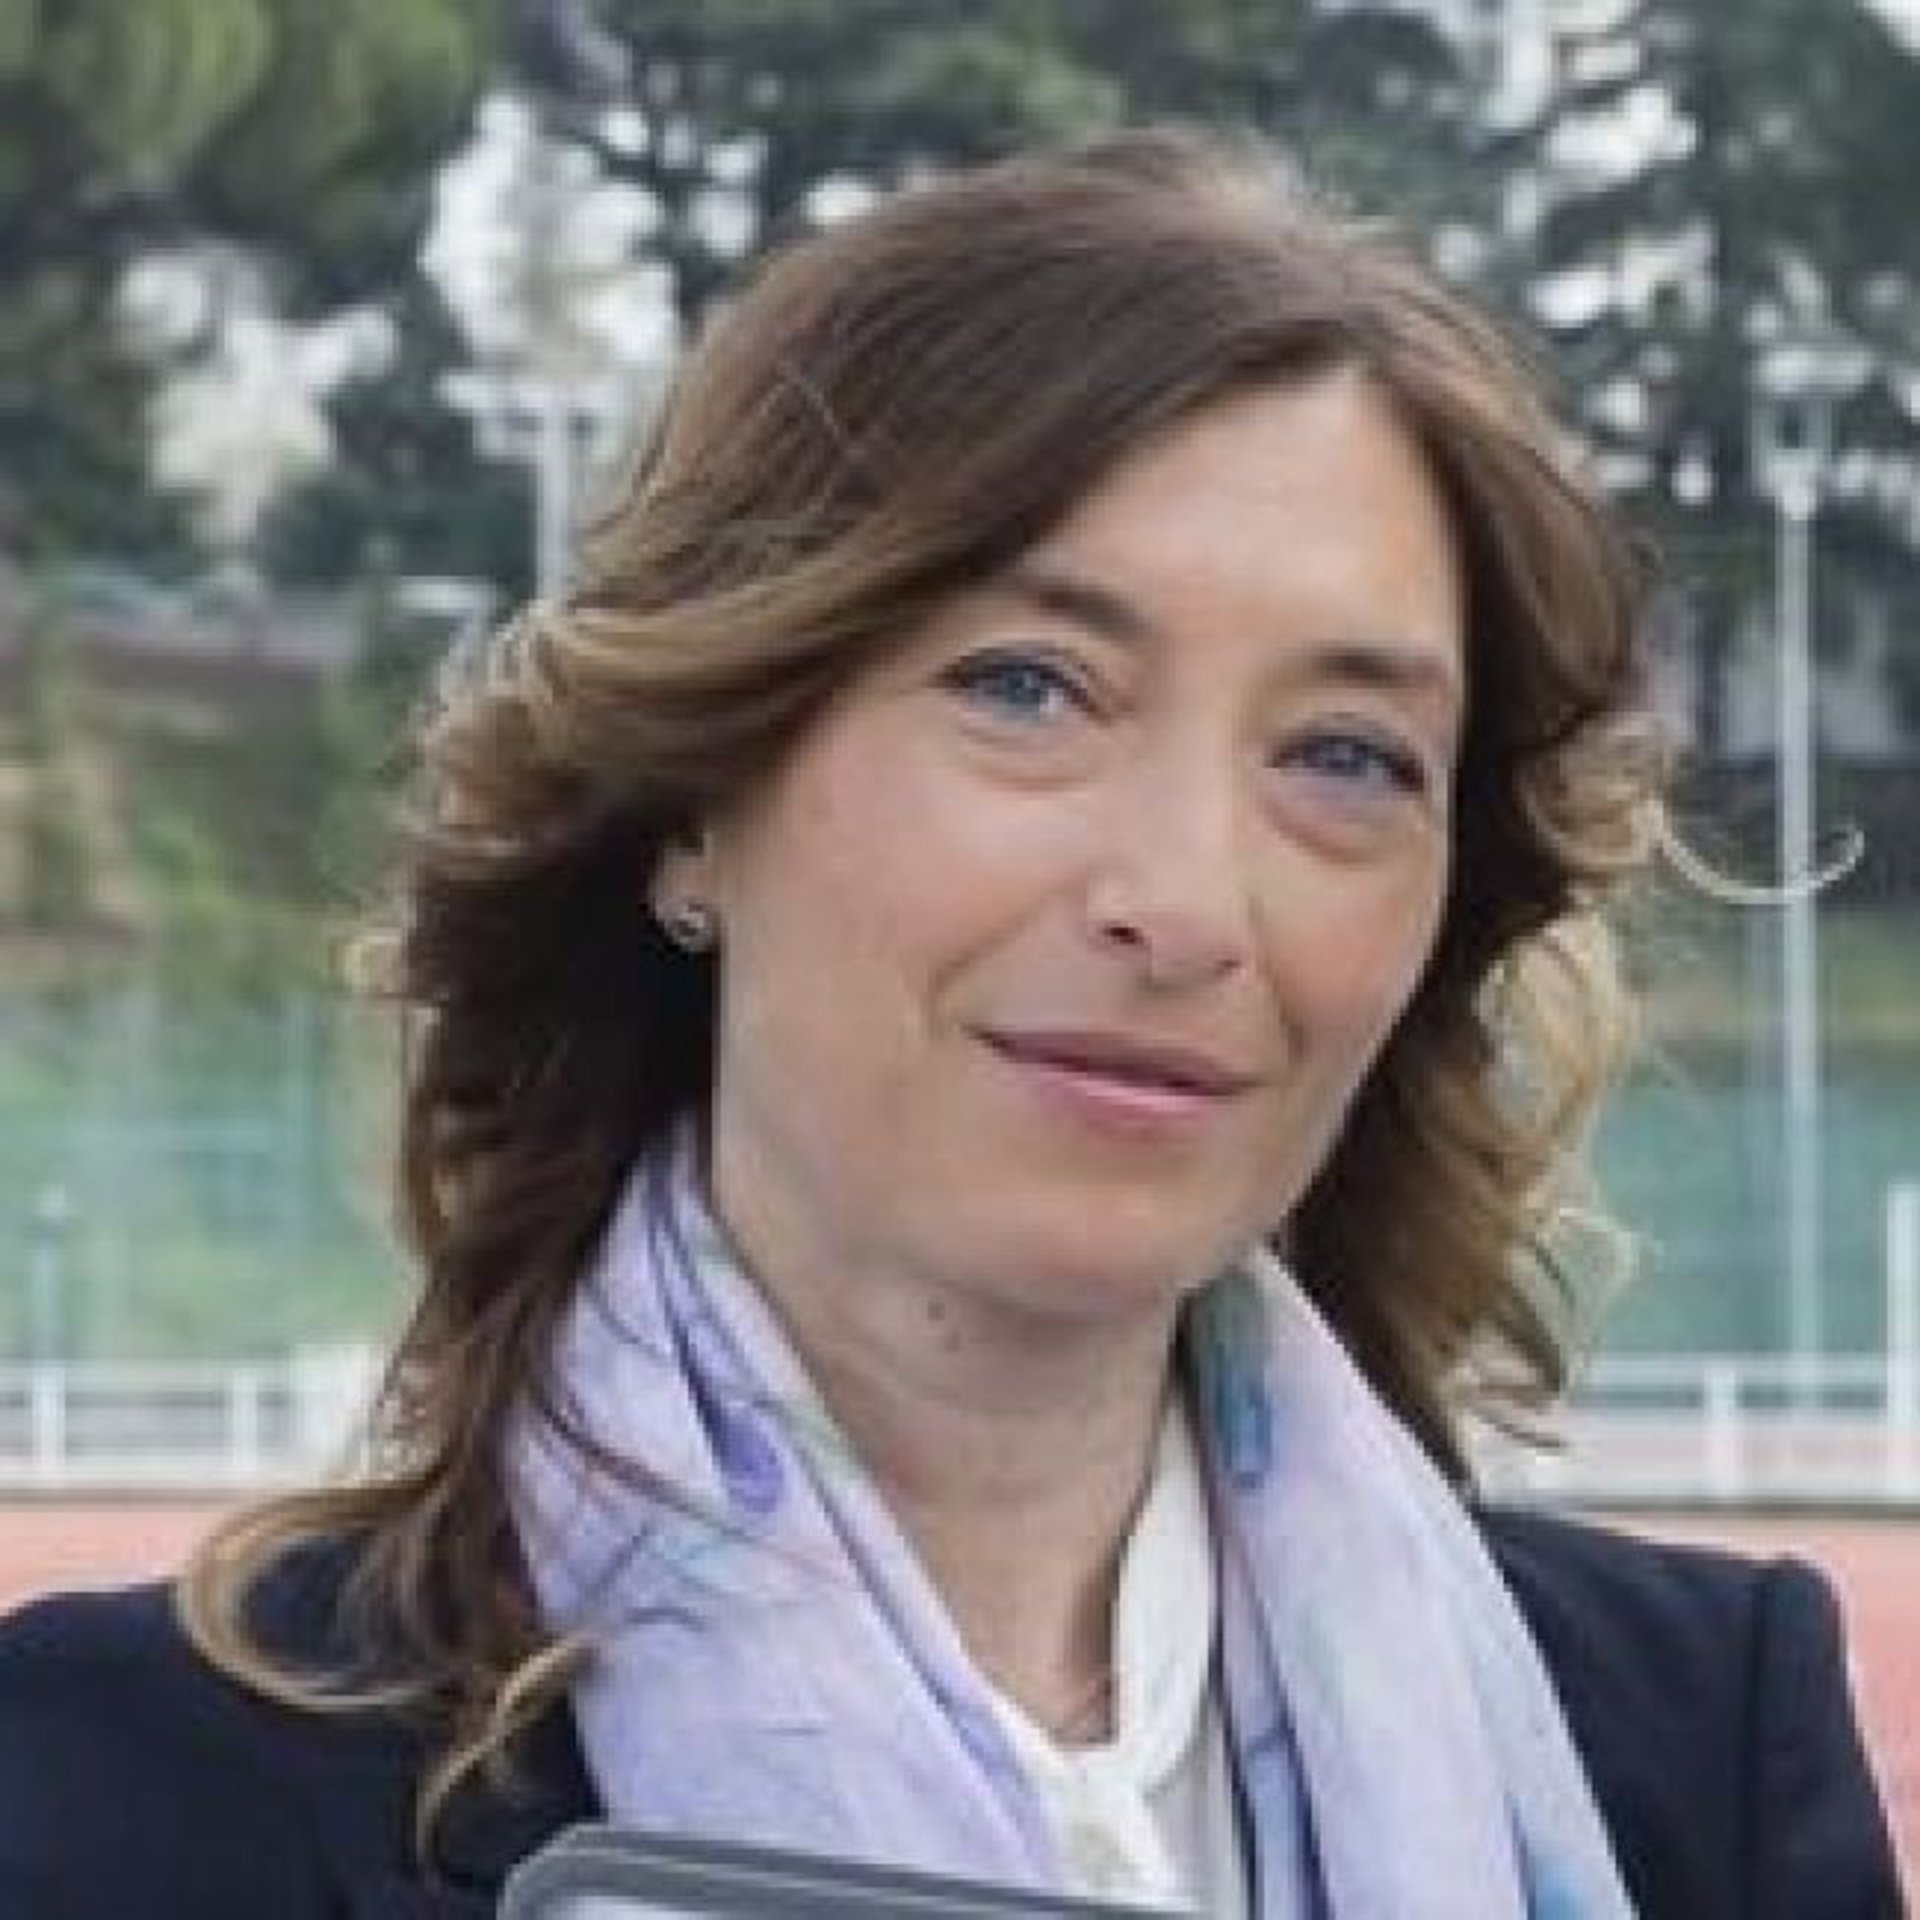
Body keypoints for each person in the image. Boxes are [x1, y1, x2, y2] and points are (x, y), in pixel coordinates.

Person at [0, 129, 1899, 1919]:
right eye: (1027, 687)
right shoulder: (143, 1791)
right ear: (695, 794)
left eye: (1343, 756)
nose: (1187, 903)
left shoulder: (1695, 1752)